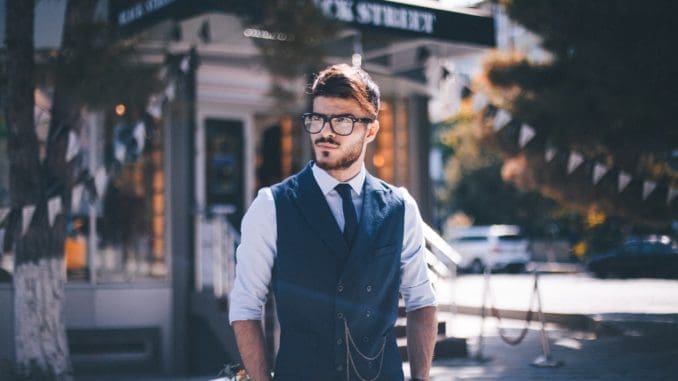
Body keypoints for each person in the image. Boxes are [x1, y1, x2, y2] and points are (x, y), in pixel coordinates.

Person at [229, 63, 437, 381]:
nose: (325, 131)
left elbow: (421, 301)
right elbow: (245, 306)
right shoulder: (271, 206)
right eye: (318, 119)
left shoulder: (400, 207)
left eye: (341, 120)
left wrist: (420, 378)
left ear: (370, 130)